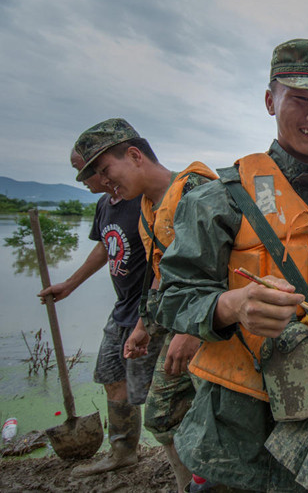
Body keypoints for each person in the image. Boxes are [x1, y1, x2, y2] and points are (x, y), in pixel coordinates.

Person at [156, 38, 308, 492]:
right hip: (239, 418)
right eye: (301, 99)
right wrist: (231, 305)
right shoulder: (219, 198)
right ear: (270, 100)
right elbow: (171, 299)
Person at [74, 118, 216, 492]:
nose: (104, 183)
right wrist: (142, 326)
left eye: (106, 170)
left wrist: (191, 330)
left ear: (135, 155)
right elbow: (160, 272)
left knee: (221, 418)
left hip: (214, 328)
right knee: (162, 414)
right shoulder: (150, 207)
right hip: (180, 326)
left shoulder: (195, 190)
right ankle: (192, 485)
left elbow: (228, 266)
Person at [39, 148, 163, 476]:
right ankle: (123, 451)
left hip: (147, 310)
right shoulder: (104, 206)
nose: (84, 180)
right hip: (121, 308)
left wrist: (146, 319)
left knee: (154, 389)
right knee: (111, 377)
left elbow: (165, 262)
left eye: (86, 172)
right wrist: (70, 284)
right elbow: (104, 247)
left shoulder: (143, 202)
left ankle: (178, 460)